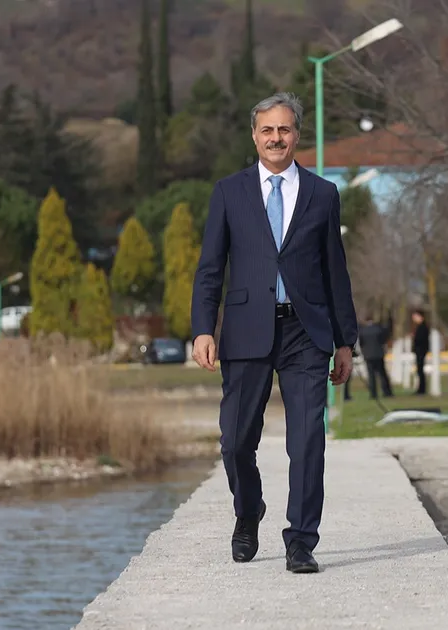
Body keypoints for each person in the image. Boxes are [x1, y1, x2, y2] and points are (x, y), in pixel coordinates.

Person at [190, 92, 357, 575]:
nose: (276, 138)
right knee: (235, 441)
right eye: (268, 130)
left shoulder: (323, 194)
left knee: (307, 441)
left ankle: (301, 541)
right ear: (254, 135)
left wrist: (345, 340)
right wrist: (204, 328)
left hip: (308, 332)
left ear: (297, 135)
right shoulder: (229, 192)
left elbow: (335, 272)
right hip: (244, 329)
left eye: (285, 130)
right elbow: (209, 269)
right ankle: (248, 510)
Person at [358, 314, 394, 399]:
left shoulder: (363, 330)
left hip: (368, 355)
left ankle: (373, 393)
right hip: (378, 354)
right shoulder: (379, 329)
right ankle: (387, 392)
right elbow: (383, 340)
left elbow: (361, 343)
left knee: (371, 375)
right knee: (382, 374)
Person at [411, 308, 430, 395]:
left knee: (420, 370)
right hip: (419, 351)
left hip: (421, 351)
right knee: (419, 370)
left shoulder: (423, 327)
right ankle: (420, 388)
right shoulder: (419, 326)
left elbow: (421, 339)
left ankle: (422, 389)